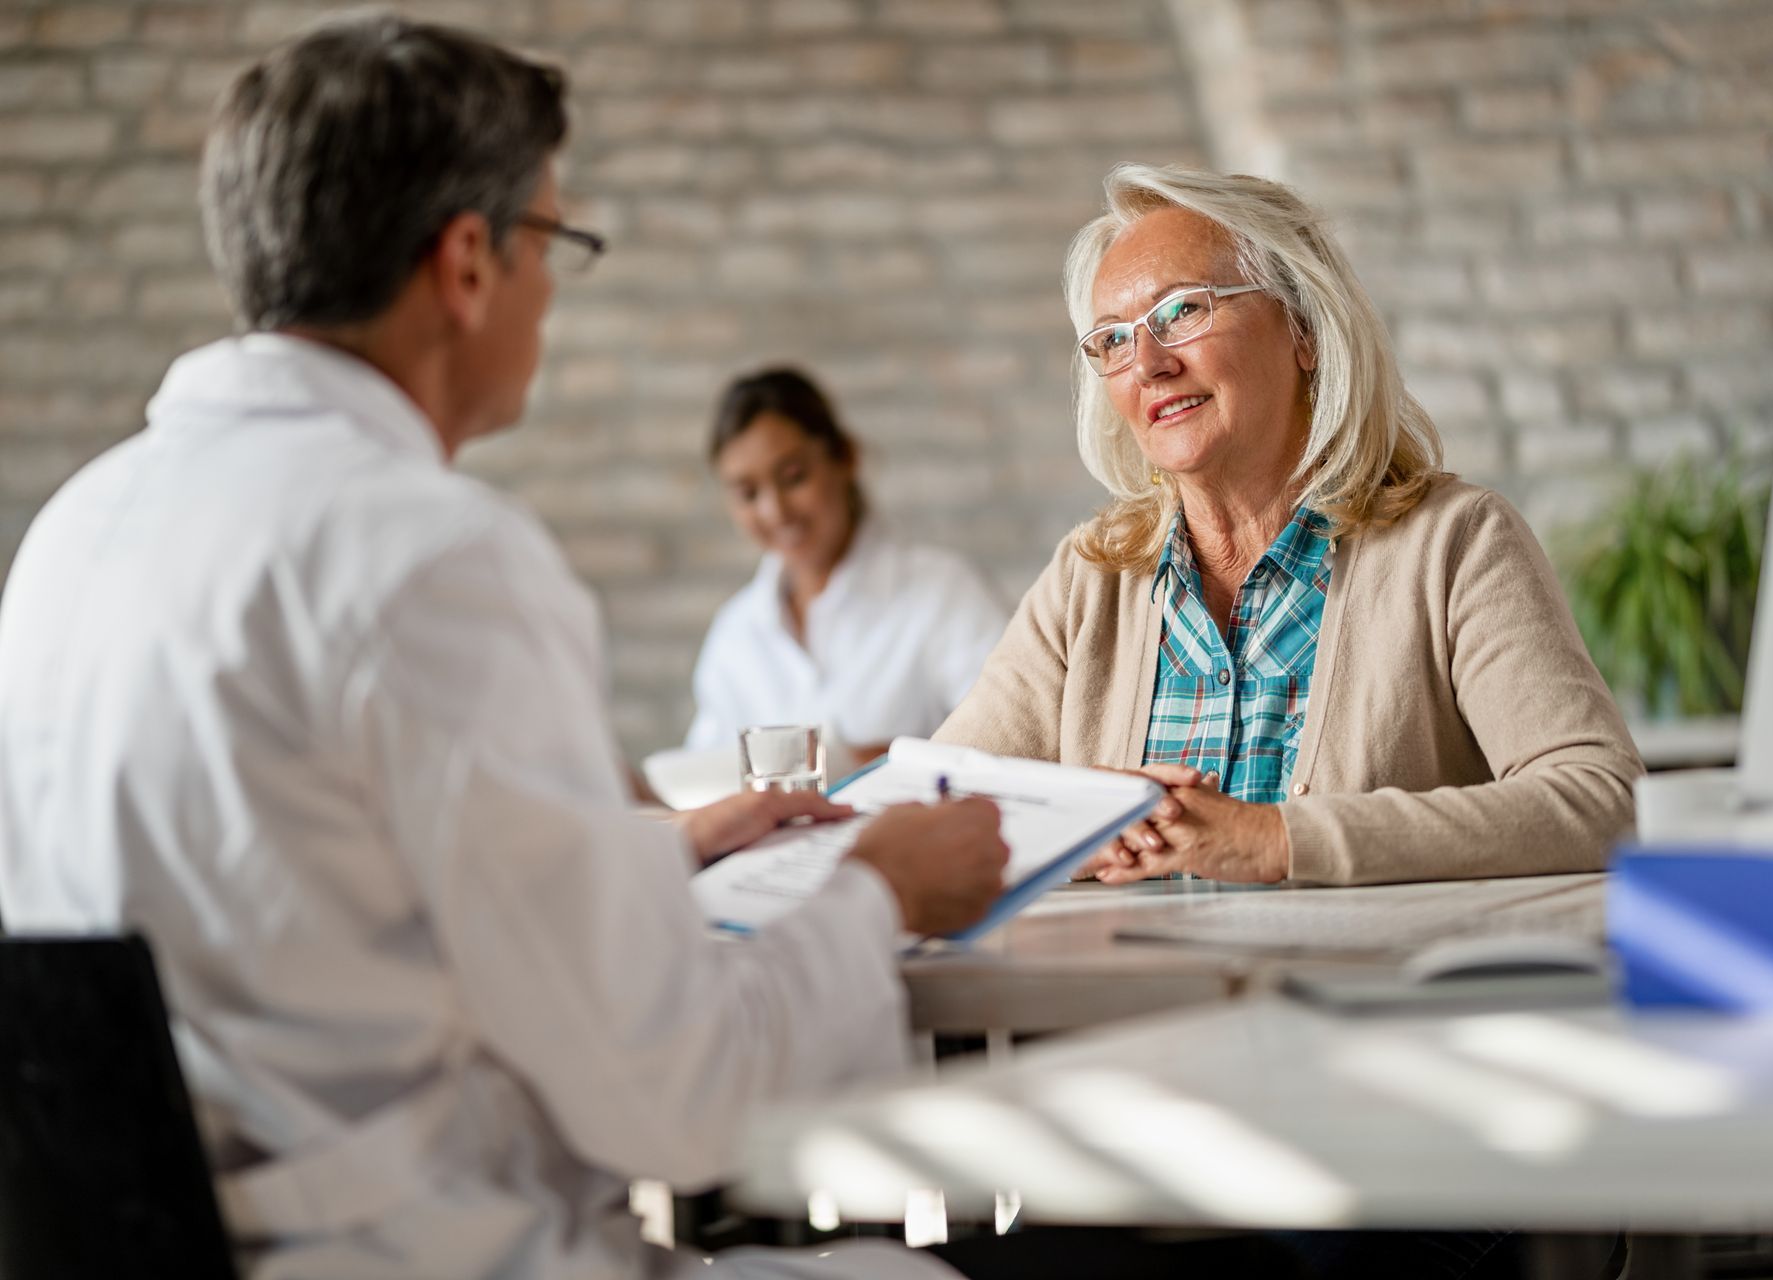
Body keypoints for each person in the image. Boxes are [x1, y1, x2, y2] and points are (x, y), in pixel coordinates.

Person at [0, 17, 1011, 1279]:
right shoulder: (425, 552)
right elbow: (676, 1094)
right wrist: (884, 891)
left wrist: (645, 855)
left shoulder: (74, 532)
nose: (549, 288)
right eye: (554, 240)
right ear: (469, 263)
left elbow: (316, 914)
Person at [936, 162, 1643, 886]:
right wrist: (1070, 833)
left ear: (1303, 329)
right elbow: (933, 809)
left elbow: (1602, 800)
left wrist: (1276, 840)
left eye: (1182, 311)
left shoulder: (1457, 544)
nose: (1147, 363)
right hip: (1141, 996)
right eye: (1113, 339)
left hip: (1369, 993)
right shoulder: (1088, 581)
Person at [686, 368, 1009, 768]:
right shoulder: (735, 634)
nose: (774, 511)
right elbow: (705, 775)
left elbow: (1010, 739)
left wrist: (858, 762)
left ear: (845, 457)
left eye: (793, 477)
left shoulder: (942, 591)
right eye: (748, 494)